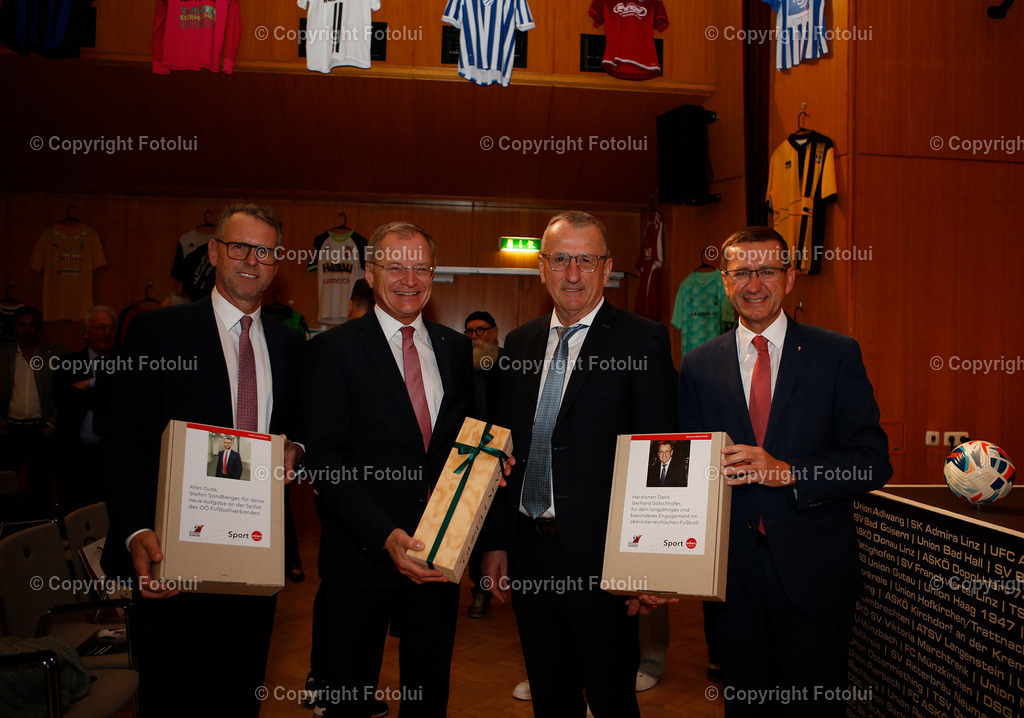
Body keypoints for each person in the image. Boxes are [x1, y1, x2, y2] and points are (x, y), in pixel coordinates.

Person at [671, 226, 891, 717]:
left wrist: (789, 472)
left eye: (767, 271)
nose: (754, 284)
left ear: (789, 278)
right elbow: (689, 476)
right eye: (742, 273)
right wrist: (665, 560)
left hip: (815, 575)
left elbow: (873, 461)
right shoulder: (699, 366)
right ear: (725, 282)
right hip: (732, 579)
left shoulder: (836, 355)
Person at [100, 204, 306, 717]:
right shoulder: (159, 333)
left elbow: (302, 430)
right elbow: (123, 440)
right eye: (240, 247)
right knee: (171, 698)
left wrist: (298, 450)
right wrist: (133, 531)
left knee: (240, 696)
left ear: (277, 264)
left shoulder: (290, 343)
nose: (252, 261)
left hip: (255, 555)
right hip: (171, 555)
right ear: (214, 252)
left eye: (265, 251)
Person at [481, 211, 677, 718]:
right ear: (541, 268)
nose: (572, 273)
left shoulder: (642, 340)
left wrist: (649, 564)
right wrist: (498, 542)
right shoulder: (519, 344)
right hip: (529, 551)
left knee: (612, 697)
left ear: (607, 266)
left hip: (606, 560)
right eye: (561, 259)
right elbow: (503, 452)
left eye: (585, 260)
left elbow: (662, 457)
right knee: (551, 694)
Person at [304, 221, 475, 718]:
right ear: (371, 272)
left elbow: (458, 444)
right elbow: (326, 462)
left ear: (434, 274)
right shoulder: (332, 350)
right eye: (395, 265)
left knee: (428, 695)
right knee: (351, 699)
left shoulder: (454, 348)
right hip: (361, 556)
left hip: (438, 556)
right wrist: (385, 535)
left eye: (421, 266)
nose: (409, 277)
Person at [0, 305, 66, 517]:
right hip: (9, 430)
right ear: (15, 327)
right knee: (5, 485)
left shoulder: (57, 354)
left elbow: (65, 395)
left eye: (32, 324)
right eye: (22, 324)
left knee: (41, 486)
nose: (27, 329)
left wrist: (52, 423)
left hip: (42, 430)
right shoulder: (3, 354)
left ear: (40, 327)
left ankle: (39, 529)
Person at [53, 305, 118, 510]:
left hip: (112, 457)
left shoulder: (129, 363)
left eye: (111, 327)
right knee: (73, 512)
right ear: (86, 332)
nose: (106, 333)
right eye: (100, 327)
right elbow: (64, 397)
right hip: (74, 455)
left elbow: (124, 397)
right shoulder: (67, 363)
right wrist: (106, 388)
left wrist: (90, 384)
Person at [464, 309, 504, 619]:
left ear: (494, 332)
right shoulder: (459, 366)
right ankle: (480, 590)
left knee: (501, 527)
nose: (476, 337)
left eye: (481, 330)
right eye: (470, 332)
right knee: (473, 529)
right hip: (468, 459)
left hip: (508, 459)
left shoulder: (511, 364)